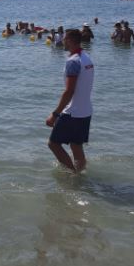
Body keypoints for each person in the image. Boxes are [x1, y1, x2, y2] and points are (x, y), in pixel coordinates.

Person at [46, 29, 94, 174]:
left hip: (72, 112)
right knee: (76, 145)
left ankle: (73, 174)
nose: (62, 41)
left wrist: (55, 114)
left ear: (71, 40)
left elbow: (69, 91)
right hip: (86, 111)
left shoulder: (73, 61)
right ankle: (80, 174)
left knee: (53, 144)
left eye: (65, 39)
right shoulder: (87, 58)